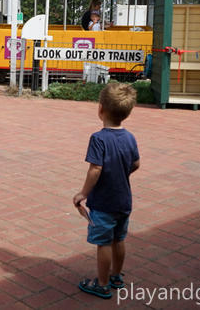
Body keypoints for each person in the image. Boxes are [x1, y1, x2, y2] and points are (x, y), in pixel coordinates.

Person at [73, 82, 141, 299]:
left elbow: (96, 168)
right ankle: (116, 276)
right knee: (118, 240)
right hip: (123, 201)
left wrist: (83, 193)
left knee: (103, 243)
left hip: (103, 202)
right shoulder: (130, 137)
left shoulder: (99, 138)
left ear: (100, 109)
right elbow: (136, 163)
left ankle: (102, 284)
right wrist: (122, 173)